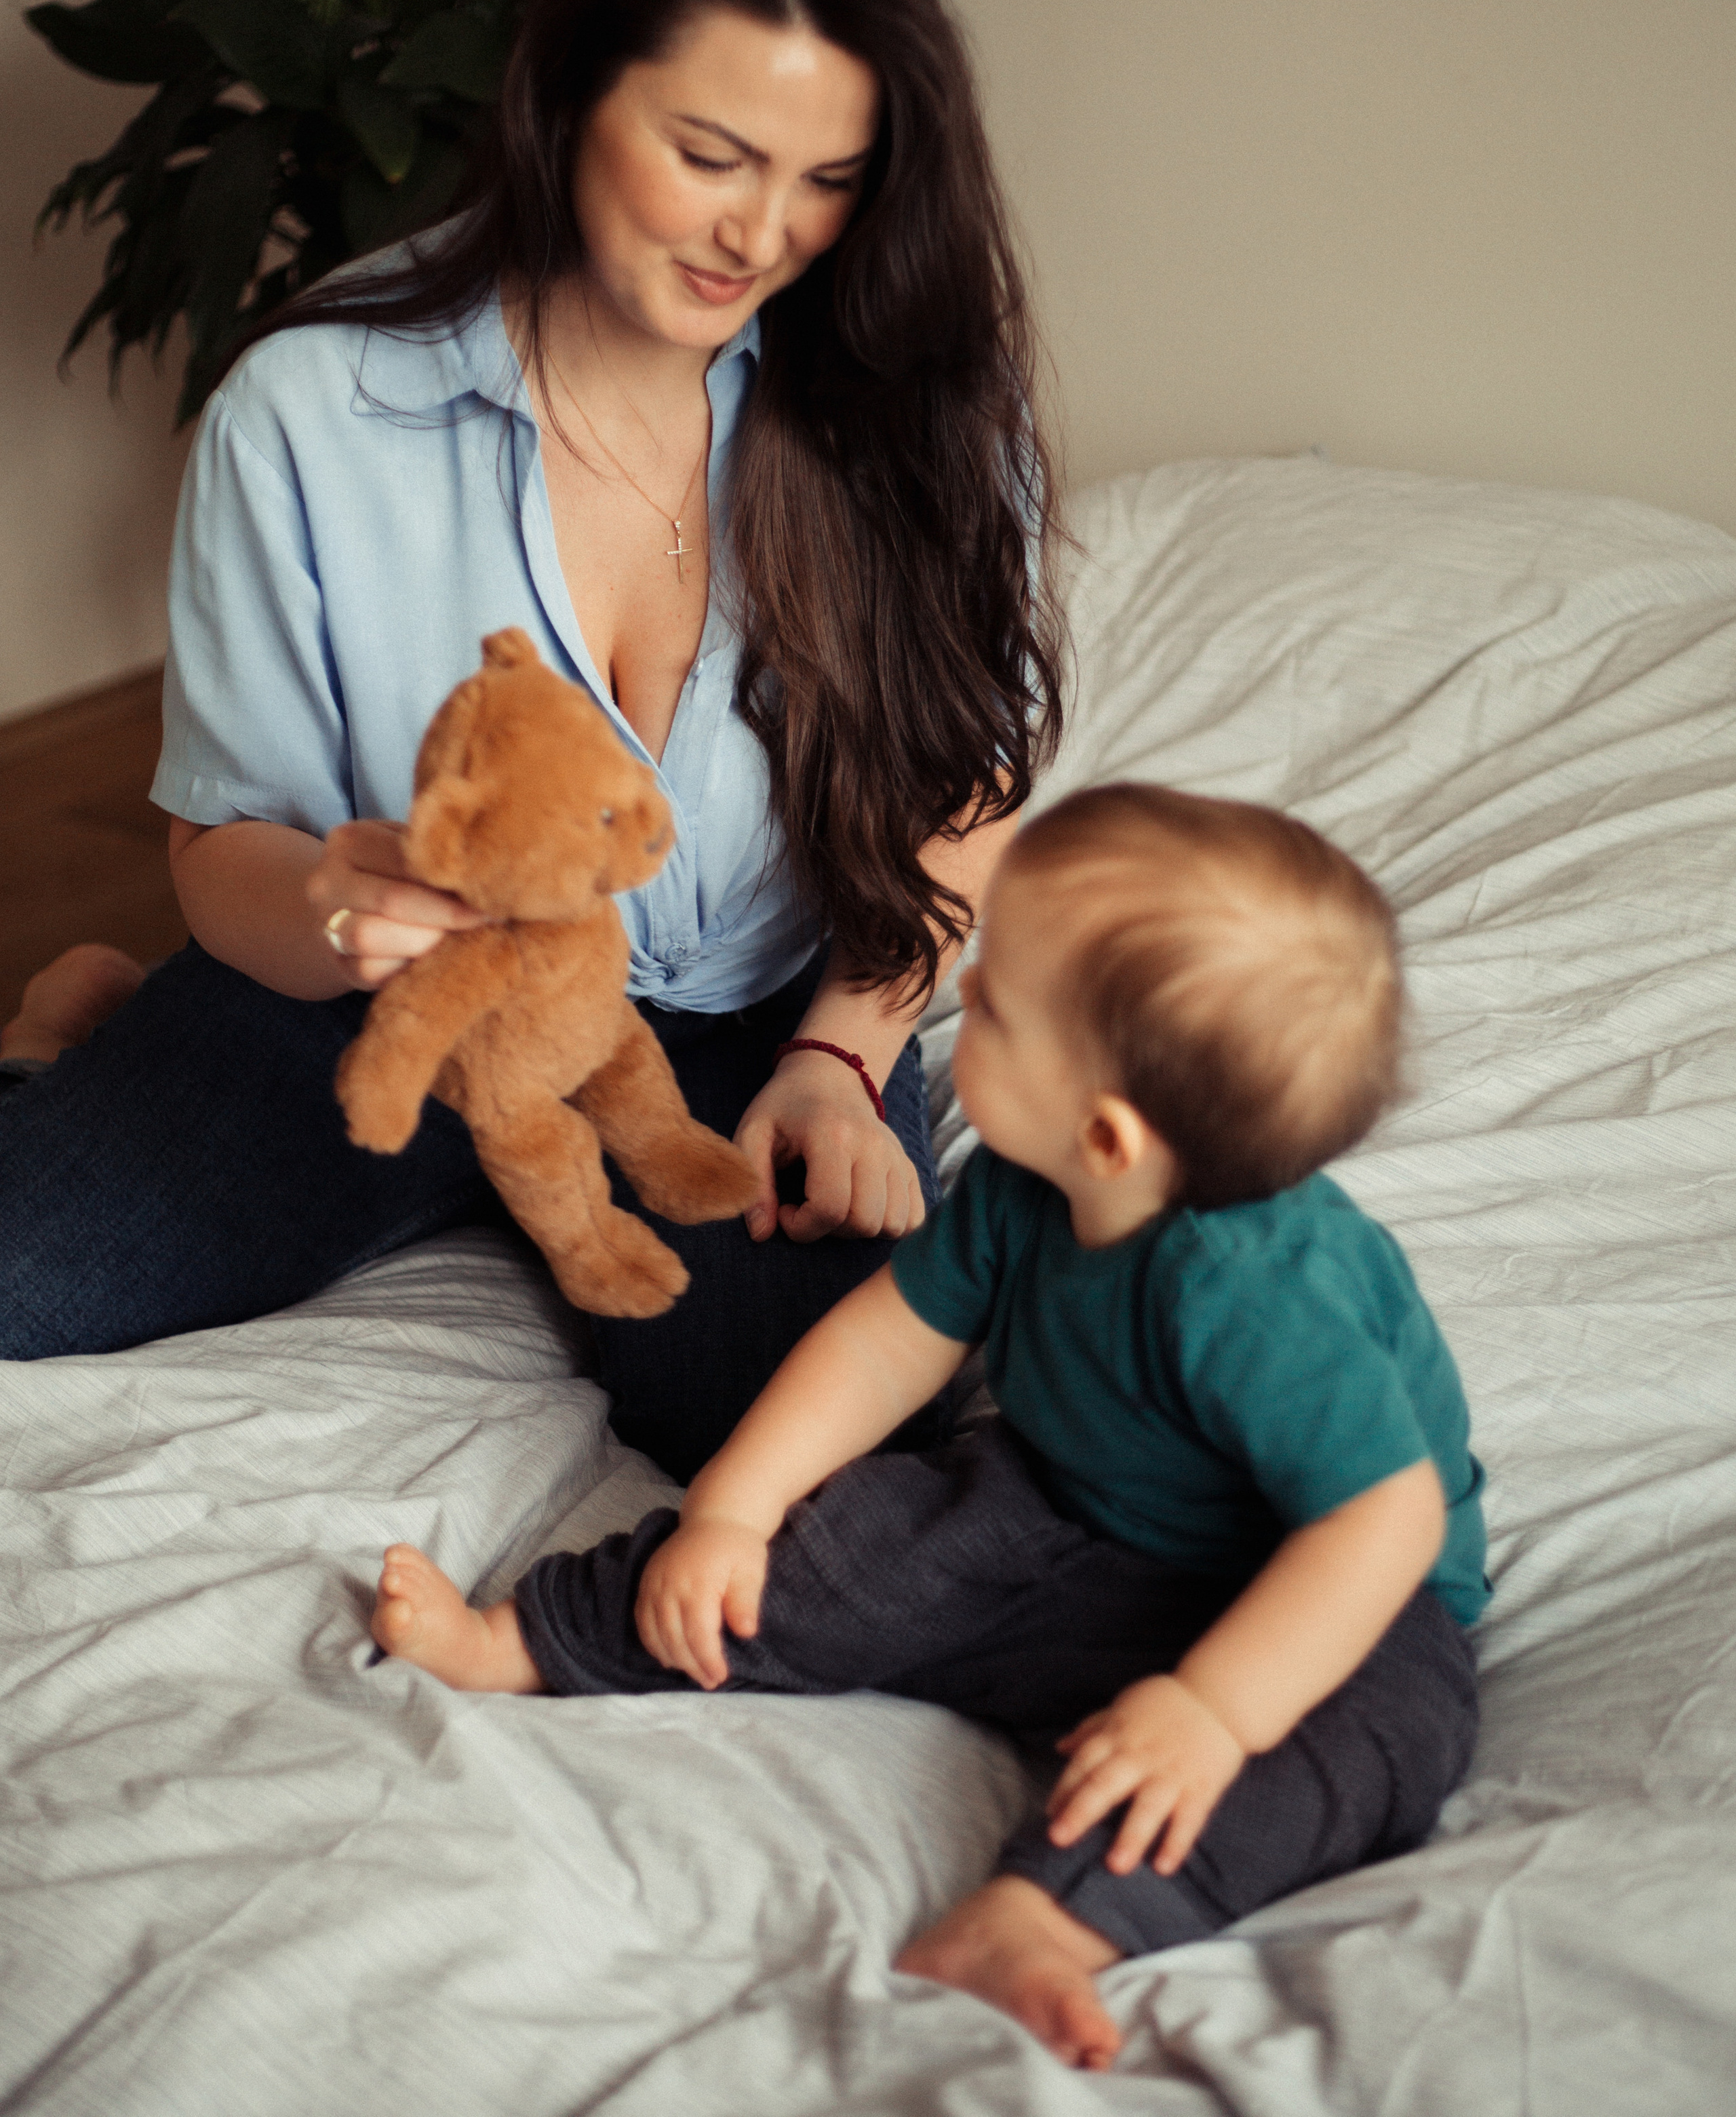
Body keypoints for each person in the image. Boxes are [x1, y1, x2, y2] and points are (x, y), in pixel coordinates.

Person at [0, 0, 1065, 1480]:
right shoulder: (307, 415)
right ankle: (75, 1033)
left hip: (750, 1022)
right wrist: (339, 906)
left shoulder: (898, 388)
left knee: (804, 1435)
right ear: (569, 87)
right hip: (384, 1005)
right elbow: (222, 842)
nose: (762, 233)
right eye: (710, 153)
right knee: (26, 1275)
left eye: (829, 178)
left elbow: (968, 780)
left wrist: (838, 1064)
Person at [368, 782, 1486, 2072]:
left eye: (998, 1005)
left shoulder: (1258, 1289)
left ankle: (1052, 1920)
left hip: (1322, 1595)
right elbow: (883, 1342)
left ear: (1109, 1134)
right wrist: (736, 1510)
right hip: (1070, 1513)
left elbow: (1381, 1520)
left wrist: (1213, 1709)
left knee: (1376, 1740)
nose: (964, 1002)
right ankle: (534, 1639)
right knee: (859, 1543)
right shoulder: (1026, 1182)